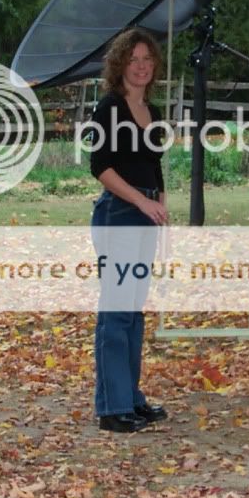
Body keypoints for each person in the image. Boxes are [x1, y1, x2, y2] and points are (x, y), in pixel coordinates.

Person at [88, 28, 169, 433]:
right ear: (120, 64)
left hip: (147, 213)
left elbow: (153, 167)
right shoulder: (109, 108)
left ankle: (131, 399)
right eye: (134, 59)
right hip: (119, 213)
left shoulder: (153, 112)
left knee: (133, 312)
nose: (141, 66)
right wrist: (141, 202)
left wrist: (161, 209)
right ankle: (112, 407)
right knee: (116, 311)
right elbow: (100, 167)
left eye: (147, 59)